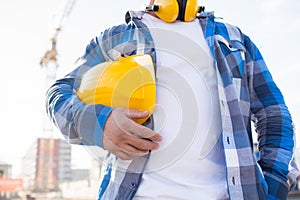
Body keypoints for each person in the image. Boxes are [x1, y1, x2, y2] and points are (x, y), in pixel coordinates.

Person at [46, 0, 298, 199]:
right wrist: (100, 124)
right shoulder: (115, 38)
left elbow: (275, 115)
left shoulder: (235, 41)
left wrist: (273, 188)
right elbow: (59, 93)